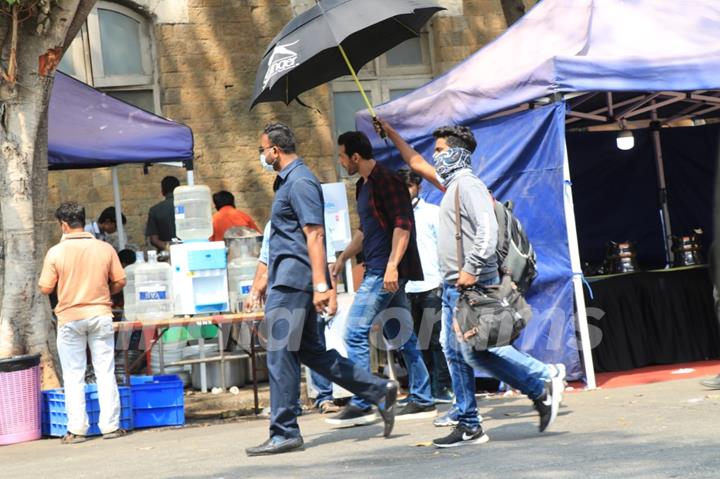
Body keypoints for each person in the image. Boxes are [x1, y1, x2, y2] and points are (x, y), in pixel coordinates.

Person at [381, 120, 565, 448]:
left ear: (456, 153)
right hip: (457, 285)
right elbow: (416, 163)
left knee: (473, 353)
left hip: (471, 283)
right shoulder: (452, 184)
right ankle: (475, 420)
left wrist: (471, 267)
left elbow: (487, 230)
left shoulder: (468, 185)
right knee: (463, 354)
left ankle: (539, 382)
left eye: (440, 151)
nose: (435, 157)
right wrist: (392, 134)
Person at [245, 123, 397, 456]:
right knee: (312, 353)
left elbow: (315, 235)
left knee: (279, 354)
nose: (262, 155)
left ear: (275, 150)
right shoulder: (290, 181)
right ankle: (378, 389)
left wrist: (320, 285)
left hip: (293, 282)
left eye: (262, 149)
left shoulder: (300, 182)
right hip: (291, 278)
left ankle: (284, 430)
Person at [326, 131, 435, 428]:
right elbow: (364, 231)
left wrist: (391, 267)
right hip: (379, 268)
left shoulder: (388, 181)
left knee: (355, 332)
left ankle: (365, 401)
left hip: (383, 272)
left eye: (342, 156)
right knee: (402, 335)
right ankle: (423, 398)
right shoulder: (363, 186)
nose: (341, 161)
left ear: (356, 157)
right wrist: (344, 257)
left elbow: (403, 225)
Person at [38, 202, 128, 444]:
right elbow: (120, 280)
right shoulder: (104, 248)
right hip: (100, 314)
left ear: (64, 225)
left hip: (69, 318)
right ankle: (110, 426)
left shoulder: (55, 252)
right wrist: (104, 291)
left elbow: (46, 287)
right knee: (105, 370)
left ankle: (77, 429)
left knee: (74, 374)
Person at [244, 220, 340, 415]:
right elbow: (265, 260)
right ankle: (290, 403)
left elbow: (328, 262)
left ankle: (324, 397)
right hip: (282, 298)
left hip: (311, 295)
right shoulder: (272, 224)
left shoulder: (315, 222)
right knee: (286, 352)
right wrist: (254, 291)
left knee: (316, 348)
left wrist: (331, 294)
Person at [397, 168, 453, 404]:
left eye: (410, 186)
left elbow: (444, 246)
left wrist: (444, 279)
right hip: (406, 288)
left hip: (431, 284)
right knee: (413, 342)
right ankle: (422, 389)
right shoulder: (395, 217)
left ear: (418, 186)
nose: (406, 191)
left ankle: (442, 387)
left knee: (435, 340)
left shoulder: (432, 213)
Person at [145, 176, 179, 251]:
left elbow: (154, 240)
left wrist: (169, 248)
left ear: (162, 191)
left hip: (165, 255)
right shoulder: (188, 206)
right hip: (187, 252)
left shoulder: (154, 210)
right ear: (178, 190)